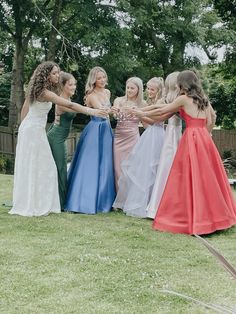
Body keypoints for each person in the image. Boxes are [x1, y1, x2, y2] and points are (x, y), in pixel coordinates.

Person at [136, 70, 236, 235]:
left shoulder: (183, 98)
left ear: (182, 84)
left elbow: (162, 111)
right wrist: (205, 132)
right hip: (204, 138)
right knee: (207, 178)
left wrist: (141, 113)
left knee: (186, 176)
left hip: (191, 137)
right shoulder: (204, 99)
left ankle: (190, 217)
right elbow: (212, 119)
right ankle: (215, 218)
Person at [9, 61, 107, 217]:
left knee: (40, 167)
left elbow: (25, 109)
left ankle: (37, 200)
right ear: (46, 75)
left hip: (34, 129)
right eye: (54, 73)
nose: (57, 75)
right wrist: (93, 112)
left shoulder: (39, 89)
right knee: (43, 167)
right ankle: (34, 203)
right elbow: (71, 106)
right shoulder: (44, 92)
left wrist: (23, 126)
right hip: (32, 131)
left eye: (57, 72)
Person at [64, 66, 116, 214]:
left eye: (103, 77)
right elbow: (101, 112)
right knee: (91, 163)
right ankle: (85, 199)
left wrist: (115, 109)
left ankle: (104, 198)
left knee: (106, 163)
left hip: (106, 129)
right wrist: (114, 109)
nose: (102, 80)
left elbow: (108, 112)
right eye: (99, 78)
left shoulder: (107, 92)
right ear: (93, 80)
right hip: (95, 130)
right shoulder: (91, 95)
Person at [113, 77, 166, 217]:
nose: (149, 91)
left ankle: (148, 201)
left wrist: (139, 114)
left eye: (152, 89)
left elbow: (153, 122)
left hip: (138, 136)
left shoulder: (150, 103)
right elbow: (148, 123)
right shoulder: (123, 101)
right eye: (148, 88)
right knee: (121, 168)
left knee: (140, 168)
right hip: (121, 136)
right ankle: (122, 198)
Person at [146, 72, 182, 219]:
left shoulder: (178, 100)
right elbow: (159, 112)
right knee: (166, 165)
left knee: (170, 164)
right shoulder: (171, 99)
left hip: (174, 134)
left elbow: (160, 114)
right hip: (172, 133)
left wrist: (139, 112)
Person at [47, 72, 77, 210]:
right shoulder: (61, 101)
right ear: (63, 85)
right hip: (56, 138)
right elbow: (76, 109)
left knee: (62, 168)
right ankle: (60, 203)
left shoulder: (67, 99)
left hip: (60, 137)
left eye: (74, 84)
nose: (73, 87)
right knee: (60, 168)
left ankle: (61, 201)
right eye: (70, 84)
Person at [112, 77, 145, 191]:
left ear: (138, 89)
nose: (129, 90)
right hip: (119, 138)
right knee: (118, 167)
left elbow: (145, 122)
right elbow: (115, 116)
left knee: (132, 166)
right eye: (128, 87)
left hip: (133, 137)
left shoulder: (142, 104)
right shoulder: (119, 100)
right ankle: (119, 198)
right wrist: (115, 112)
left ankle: (129, 197)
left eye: (132, 88)